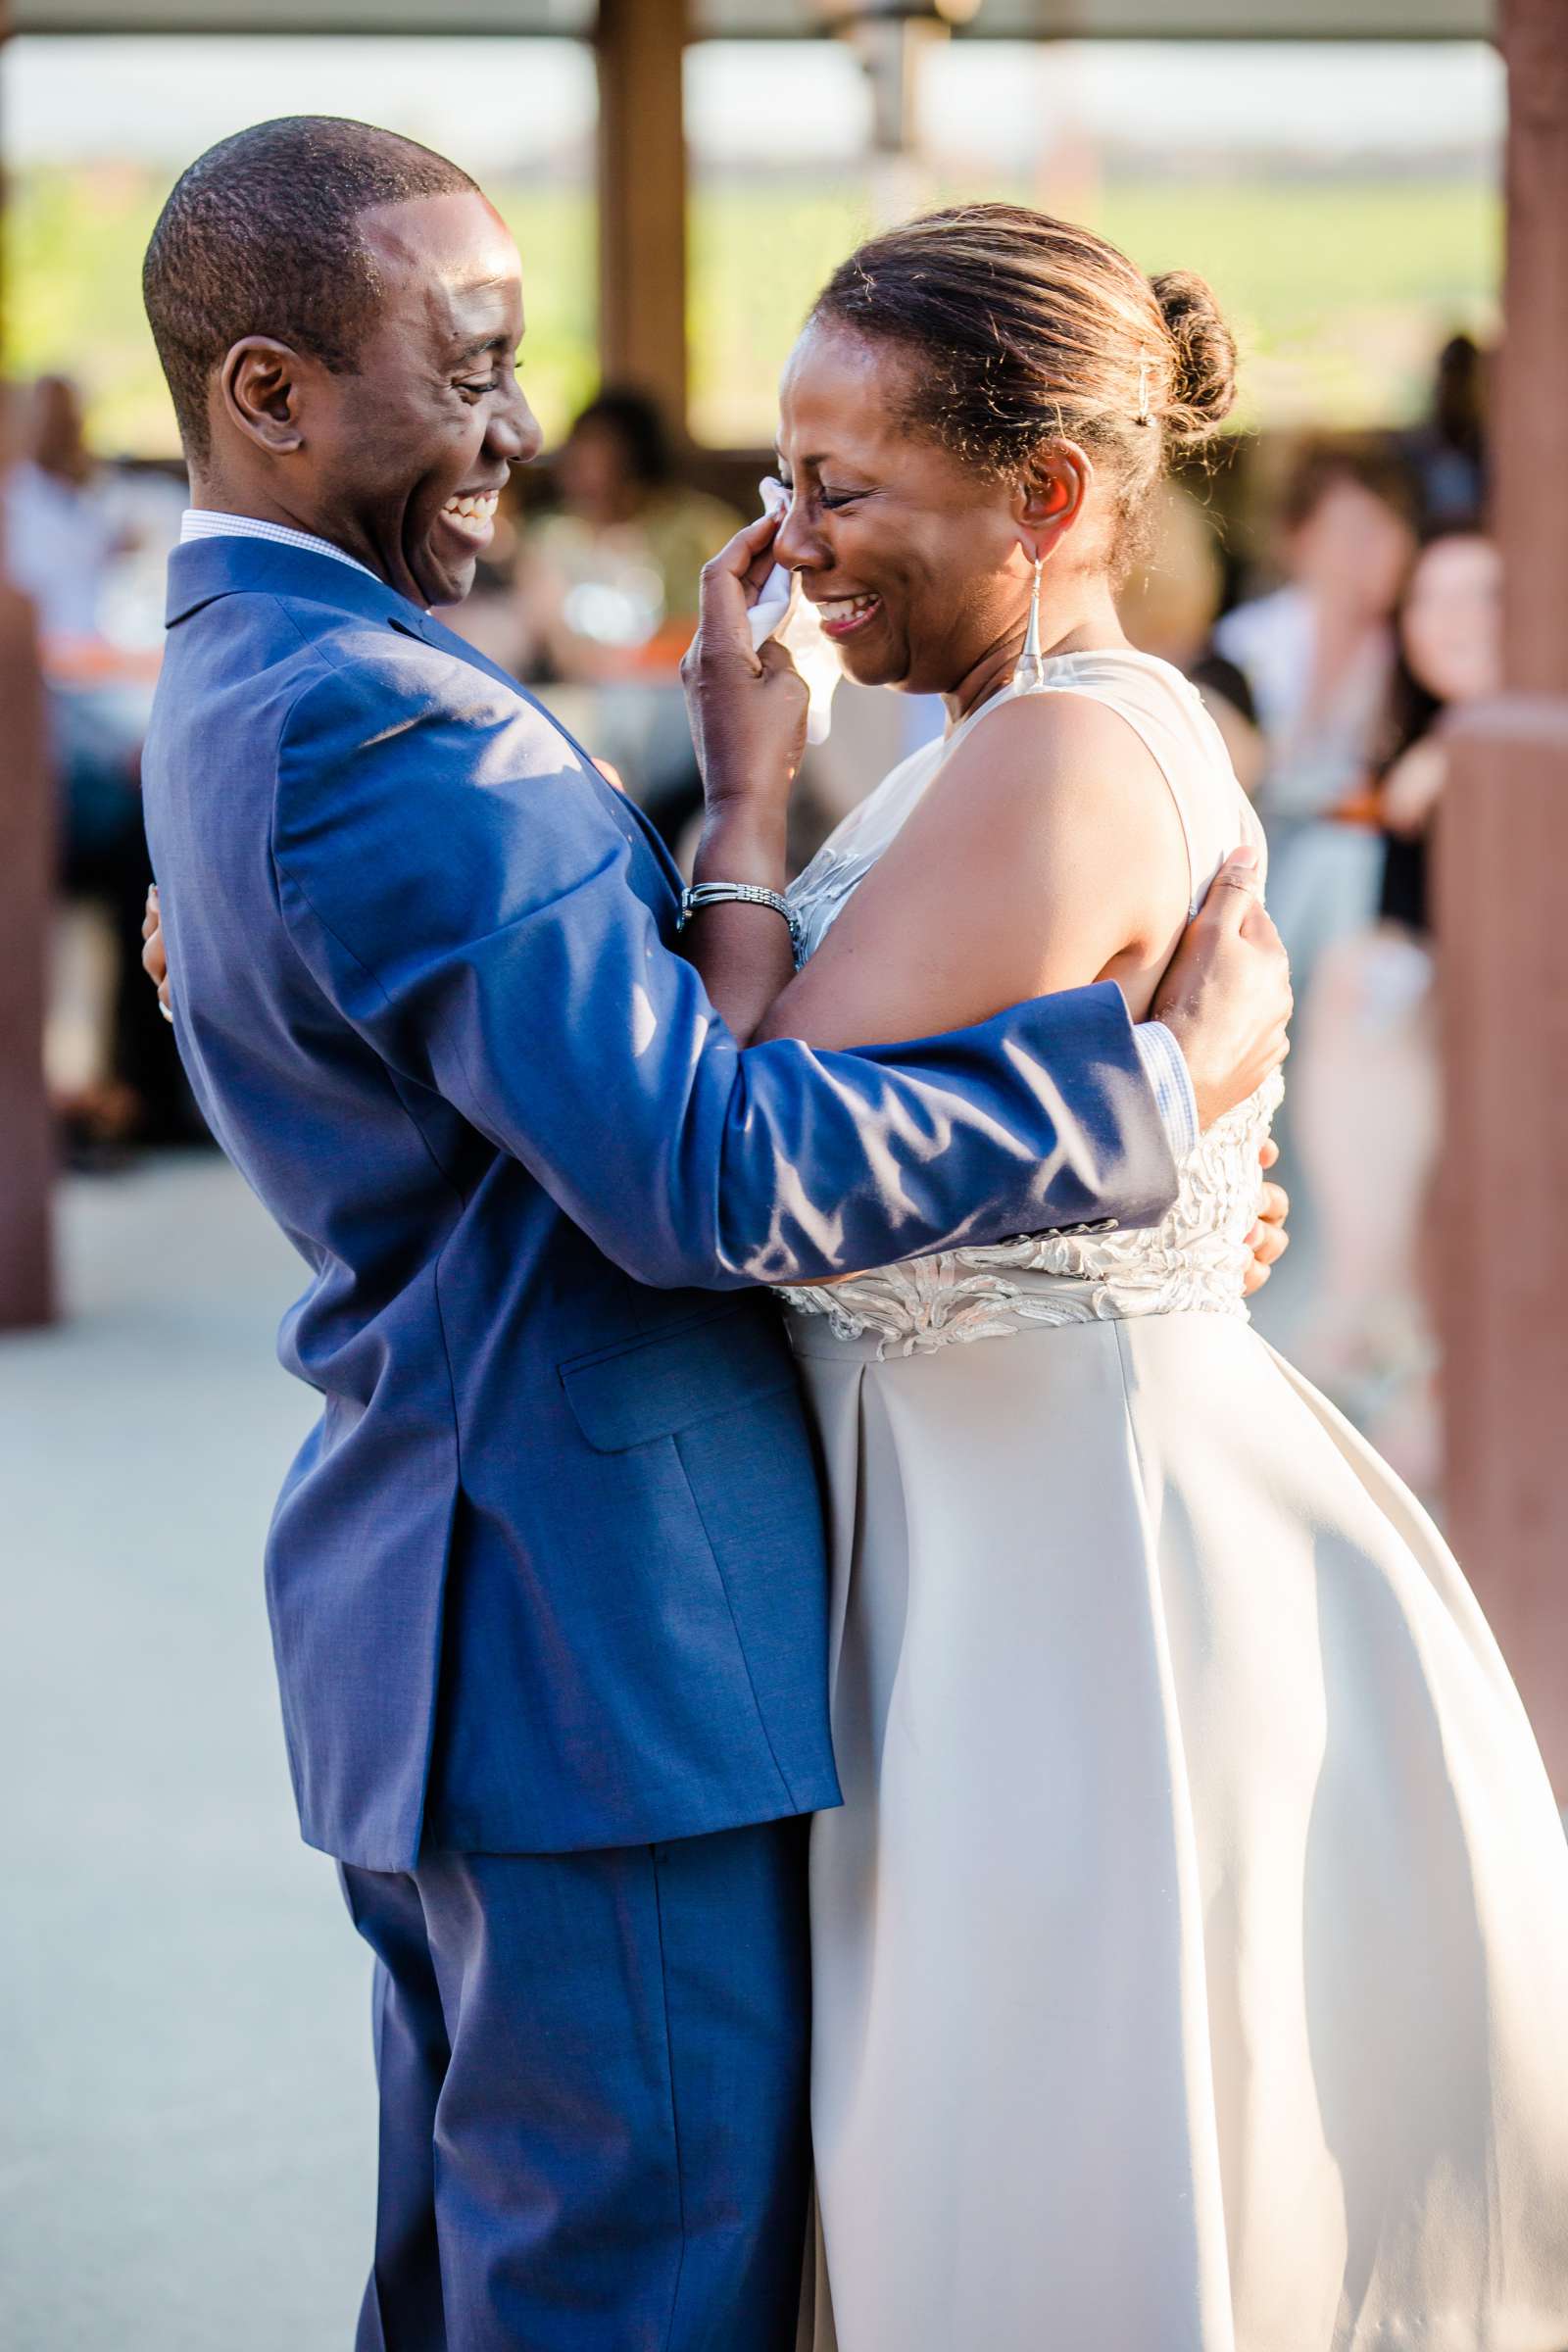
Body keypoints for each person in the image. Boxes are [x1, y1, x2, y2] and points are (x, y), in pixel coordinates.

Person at [133, 122, 1288, 2352]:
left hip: (489, 1622)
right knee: (616, 2295)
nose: (520, 426)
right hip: (589, 1646)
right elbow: (701, 1171)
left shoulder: (253, 674)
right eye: (463, 367)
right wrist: (1141, 1098)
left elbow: (591, 1067)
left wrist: (742, 809)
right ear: (266, 392)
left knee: (483, 2279)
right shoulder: (377, 723)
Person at [672, 206, 1568, 2350]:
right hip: (990, 1536)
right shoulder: (997, 732)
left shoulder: (1067, 748)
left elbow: (733, 1146)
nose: (786, 542)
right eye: (785, 479)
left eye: (841, 484)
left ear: (1046, 495)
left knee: (1052, 2156)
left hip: (1071, 1582)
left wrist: (734, 788)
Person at [1292, 523, 1500, 1476]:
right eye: (1432, 598)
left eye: (1484, 597)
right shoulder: (1413, 749)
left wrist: (1466, 748)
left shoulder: (1487, 748)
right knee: (1358, 992)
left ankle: (1360, 1312)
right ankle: (1382, 1317)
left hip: (1498, 1035)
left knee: (1377, 1023)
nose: (1453, 622)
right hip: (1427, 1036)